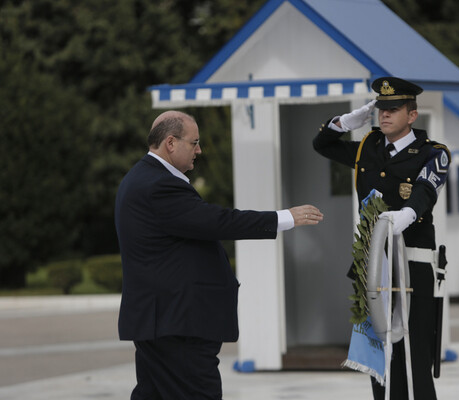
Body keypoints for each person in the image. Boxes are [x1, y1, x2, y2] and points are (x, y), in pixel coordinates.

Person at [114, 110, 323, 399]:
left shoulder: (143, 178)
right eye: (194, 142)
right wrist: (284, 217)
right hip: (176, 324)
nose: (199, 149)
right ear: (171, 143)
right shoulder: (158, 185)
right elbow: (216, 221)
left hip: (163, 321)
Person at [313, 77, 450, 400]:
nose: (384, 115)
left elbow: (426, 191)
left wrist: (405, 215)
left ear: (412, 115)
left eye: (393, 109)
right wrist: (345, 122)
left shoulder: (432, 153)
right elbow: (322, 145)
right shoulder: (368, 148)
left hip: (411, 263)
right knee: (379, 356)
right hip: (373, 265)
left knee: (414, 354)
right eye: (380, 109)